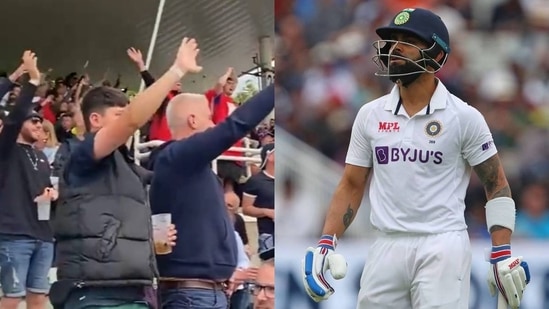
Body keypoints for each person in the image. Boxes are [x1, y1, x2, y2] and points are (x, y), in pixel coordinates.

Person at [301, 8, 530, 309]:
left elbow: (496, 185)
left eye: (408, 40)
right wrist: (326, 242)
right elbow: (352, 184)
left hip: (442, 245)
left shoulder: (464, 117)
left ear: (437, 56)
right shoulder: (370, 115)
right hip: (386, 244)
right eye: (392, 40)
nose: (395, 48)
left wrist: (501, 251)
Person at [49, 37, 200, 309]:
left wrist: (151, 238)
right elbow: (133, 118)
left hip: (134, 292)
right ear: (95, 120)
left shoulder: (130, 169)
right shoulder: (80, 155)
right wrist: (176, 70)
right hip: (93, 294)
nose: (128, 123)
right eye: (118, 114)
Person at [148, 84, 274, 309]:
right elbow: (235, 126)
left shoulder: (190, 170)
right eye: (210, 118)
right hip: (191, 295)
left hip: (208, 292)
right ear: (193, 120)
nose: (215, 125)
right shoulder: (175, 158)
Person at [0, 51, 57, 309]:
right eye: (33, 120)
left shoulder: (42, 158)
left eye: (41, 121)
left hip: (43, 234)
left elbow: (44, 191)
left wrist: (53, 196)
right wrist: (31, 80)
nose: (39, 124)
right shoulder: (6, 149)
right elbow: (13, 118)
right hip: (14, 234)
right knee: (12, 297)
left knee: (38, 297)